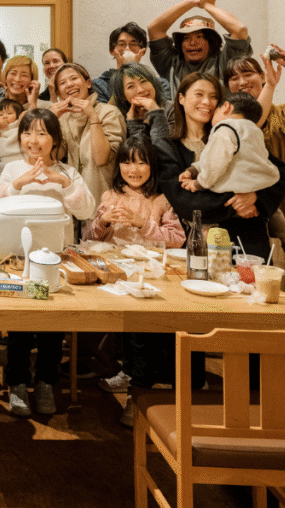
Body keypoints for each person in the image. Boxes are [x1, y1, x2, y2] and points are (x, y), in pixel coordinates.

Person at [0, 108, 96, 417]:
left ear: (55, 139)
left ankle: (47, 382)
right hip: (18, 258)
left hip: (57, 259)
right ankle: (18, 383)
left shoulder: (68, 171)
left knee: (53, 326)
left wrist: (63, 183)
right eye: (27, 132)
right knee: (20, 326)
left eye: (41, 133)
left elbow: (86, 210)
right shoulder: (11, 169)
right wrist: (19, 183)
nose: (33, 140)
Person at [81, 136, 185, 426]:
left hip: (153, 276)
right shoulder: (110, 197)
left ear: (152, 166)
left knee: (141, 335)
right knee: (127, 333)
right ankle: (129, 373)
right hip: (118, 275)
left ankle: (136, 399)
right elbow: (89, 238)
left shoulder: (162, 199)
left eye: (142, 162)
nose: (134, 169)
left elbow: (178, 239)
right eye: (127, 161)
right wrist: (103, 223)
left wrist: (143, 224)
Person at [153, 72, 285, 266]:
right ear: (181, 98)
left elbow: (278, 173)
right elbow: (185, 202)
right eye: (199, 94)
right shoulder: (167, 147)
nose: (207, 102)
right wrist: (236, 202)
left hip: (248, 242)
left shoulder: (237, 133)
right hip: (196, 246)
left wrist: (256, 198)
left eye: (214, 96)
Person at [225, 47, 285, 300]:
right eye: (234, 78)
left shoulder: (280, 115)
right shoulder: (226, 123)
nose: (242, 81)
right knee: (251, 289)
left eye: (248, 73)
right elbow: (248, 126)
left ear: (263, 77)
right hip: (245, 218)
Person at [147, 0, 252, 97]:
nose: (192, 42)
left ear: (210, 42)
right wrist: (191, 2)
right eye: (186, 38)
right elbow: (154, 30)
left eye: (199, 36)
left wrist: (208, 5)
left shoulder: (224, 62)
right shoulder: (171, 64)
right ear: (180, 44)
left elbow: (240, 30)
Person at [49, 62, 127, 208]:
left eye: (74, 79)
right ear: (59, 93)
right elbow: (55, 156)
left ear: (88, 83)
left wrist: (93, 117)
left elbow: (101, 158)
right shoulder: (63, 118)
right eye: (62, 83)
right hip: (74, 200)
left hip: (105, 199)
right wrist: (51, 122)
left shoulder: (109, 112)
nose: (70, 84)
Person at [179, 92, 279, 196]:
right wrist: (193, 170)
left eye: (216, 112)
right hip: (261, 187)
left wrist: (199, 183)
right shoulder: (255, 132)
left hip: (231, 193)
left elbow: (215, 162)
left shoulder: (225, 129)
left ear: (226, 107)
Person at [91, 22, 172, 105]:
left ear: (143, 51)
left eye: (133, 44)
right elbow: (104, 115)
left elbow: (164, 113)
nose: (127, 49)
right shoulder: (99, 85)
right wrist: (125, 71)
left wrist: (133, 68)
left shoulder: (161, 84)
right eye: (121, 44)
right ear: (112, 50)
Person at [108, 62, 172, 141]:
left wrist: (155, 112)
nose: (140, 90)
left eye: (143, 81)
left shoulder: (173, 109)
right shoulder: (123, 120)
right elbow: (141, 152)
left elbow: (165, 150)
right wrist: (134, 124)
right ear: (123, 96)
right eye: (131, 86)